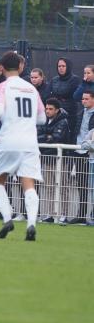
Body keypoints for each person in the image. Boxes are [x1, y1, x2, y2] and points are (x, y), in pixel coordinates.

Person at [0, 51, 46, 241]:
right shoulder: (31, 89)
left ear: (3, 67)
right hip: (30, 142)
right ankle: (31, 223)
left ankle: (7, 218)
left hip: (9, 140)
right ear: (20, 67)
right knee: (28, 184)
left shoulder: (1, 87)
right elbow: (42, 118)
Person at [37, 98, 70, 223]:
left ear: (57, 110)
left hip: (60, 158)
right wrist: (47, 137)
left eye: (50, 109)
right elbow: (38, 135)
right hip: (47, 157)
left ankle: (64, 214)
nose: (47, 111)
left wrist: (46, 137)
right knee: (49, 187)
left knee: (63, 187)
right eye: (46, 108)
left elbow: (57, 138)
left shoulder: (63, 121)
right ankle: (51, 214)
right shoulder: (43, 120)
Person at [69, 90, 94, 224]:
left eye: (86, 99)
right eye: (83, 99)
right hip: (79, 151)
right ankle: (81, 214)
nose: (83, 101)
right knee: (82, 185)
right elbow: (76, 131)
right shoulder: (80, 114)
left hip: (90, 153)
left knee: (92, 186)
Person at [49, 58, 79, 142]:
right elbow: (48, 93)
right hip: (55, 112)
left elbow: (67, 92)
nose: (61, 68)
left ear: (68, 67)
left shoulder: (75, 79)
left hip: (70, 113)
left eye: (63, 66)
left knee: (67, 137)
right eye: (59, 66)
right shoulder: (54, 79)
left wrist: (56, 97)